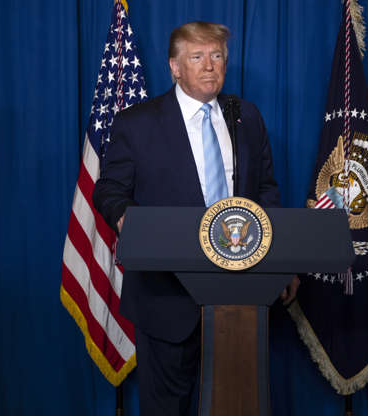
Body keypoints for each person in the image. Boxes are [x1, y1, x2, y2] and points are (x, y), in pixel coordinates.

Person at [93, 21, 300, 416]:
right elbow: (109, 190)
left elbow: (266, 193)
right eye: (197, 57)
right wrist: (128, 221)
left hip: (242, 297)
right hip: (167, 298)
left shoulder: (247, 117)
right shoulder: (137, 123)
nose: (209, 66)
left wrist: (282, 263)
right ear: (174, 67)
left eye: (217, 56)